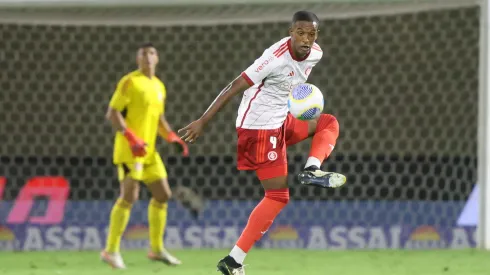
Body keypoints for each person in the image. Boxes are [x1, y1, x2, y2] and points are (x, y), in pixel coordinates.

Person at [179, 11, 346, 275]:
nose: (306, 39)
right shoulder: (274, 59)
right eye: (300, 33)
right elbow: (233, 86)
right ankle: (232, 262)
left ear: (316, 35)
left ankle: (312, 169)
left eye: (311, 34)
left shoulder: (316, 53)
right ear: (291, 32)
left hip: (281, 121)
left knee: (328, 123)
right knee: (277, 196)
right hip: (257, 129)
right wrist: (202, 121)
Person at [100, 43, 188, 269]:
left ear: (157, 58)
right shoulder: (130, 81)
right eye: (143, 54)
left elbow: (158, 118)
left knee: (163, 195)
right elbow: (113, 113)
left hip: (149, 151)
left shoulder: (159, 86)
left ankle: (156, 249)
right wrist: (132, 138)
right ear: (137, 59)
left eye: (151, 53)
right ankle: (110, 250)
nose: (148, 57)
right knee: (129, 196)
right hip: (130, 149)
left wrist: (171, 137)